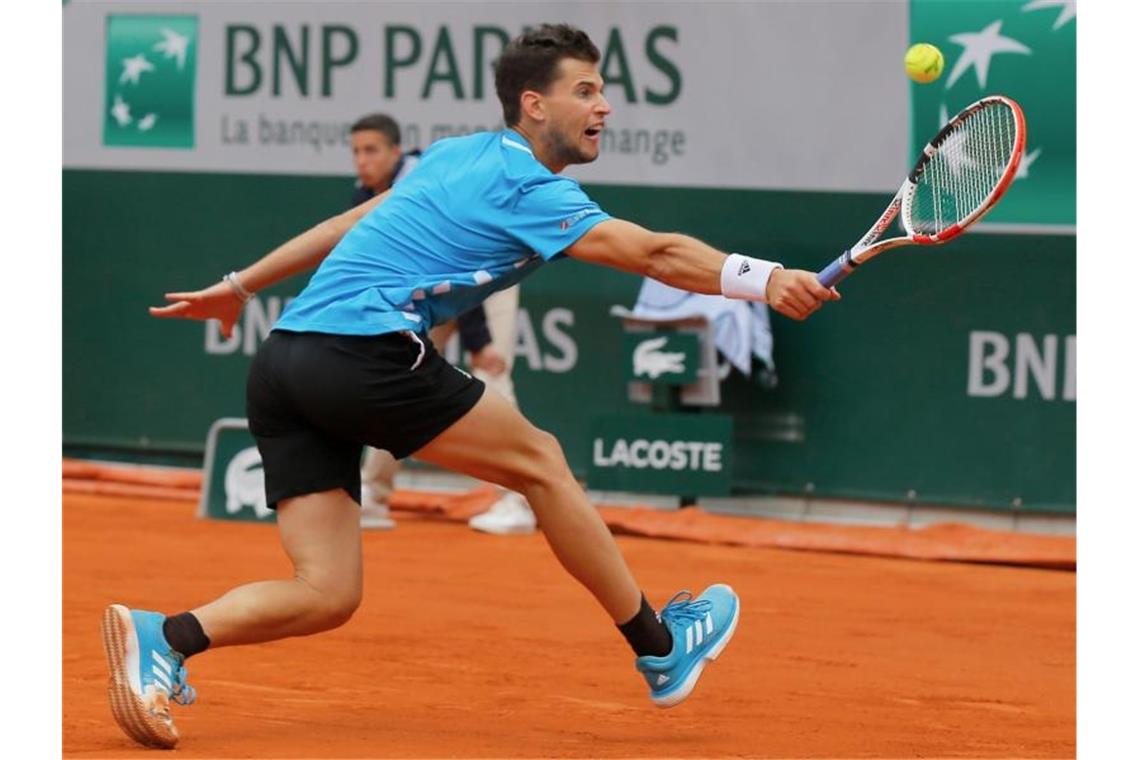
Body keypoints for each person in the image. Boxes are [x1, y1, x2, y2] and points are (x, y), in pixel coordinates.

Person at [104, 24, 838, 749]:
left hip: (284, 362)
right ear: (534, 104)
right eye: (586, 91)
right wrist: (766, 279)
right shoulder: (528, 186)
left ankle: (164, 637)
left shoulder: (452, 155)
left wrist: (239, 286)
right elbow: (654, 252)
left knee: (326, 592)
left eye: (604, 90)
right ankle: (658, 645)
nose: (604, 106)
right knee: (542, 462)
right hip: (362, 352)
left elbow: (349, 222)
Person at [345, 113, 528, 531]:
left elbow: (462, 268)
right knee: (395, 378)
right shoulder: (365, 194)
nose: (362, 161)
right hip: (433, 291)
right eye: (356, 152)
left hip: (487, 276)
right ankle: (373, 494)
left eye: (371, 150)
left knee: (491, 371)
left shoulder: (419, 184)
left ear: (395, 152)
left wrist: (479, 342)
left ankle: (519, 502)